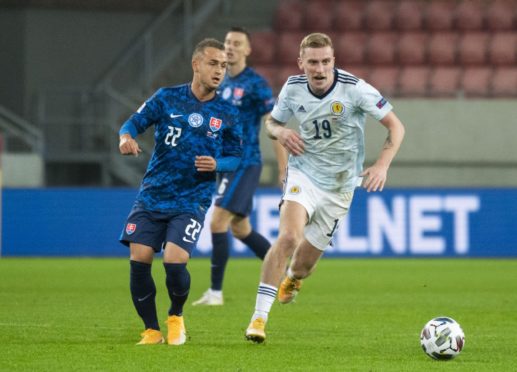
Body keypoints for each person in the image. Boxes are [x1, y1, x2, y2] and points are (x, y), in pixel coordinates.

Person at [245, 32, 406, 343]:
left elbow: (396, 126)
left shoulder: (355, 89)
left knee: (303, 267)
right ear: (301, 63)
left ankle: (291, 278)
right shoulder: (292, 88)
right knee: (289, 236)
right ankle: (258, 318)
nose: (319, 70)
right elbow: (271, 124)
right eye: (313, 63)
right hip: (303, 174)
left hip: (340, 185)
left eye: (325, 62)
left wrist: (382, 164)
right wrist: (280, 132)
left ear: (334, 61)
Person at [118, 38, 242, 346]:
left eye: (224, 66)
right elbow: (133, 123)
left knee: (174, 261)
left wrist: (217, 163)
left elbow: (237, 157)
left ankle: (175, 316)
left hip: (191, 198)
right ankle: (151, 330)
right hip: (153, 194)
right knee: (140, 258)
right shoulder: (166, 98)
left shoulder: (227, 112)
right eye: (213, 64)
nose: (219, 71)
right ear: (196, 64)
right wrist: (125, 138)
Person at [192, 27, 281, 306]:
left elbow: (274, 124)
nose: (230, 47)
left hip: (246, 161)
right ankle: (286, 272)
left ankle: (215, 293)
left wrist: (283, 167)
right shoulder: (219, 81)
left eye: (237, 43)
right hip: (224, 165)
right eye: (228, 42)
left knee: (218, 220)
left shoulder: (256, 84)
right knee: (241, 229)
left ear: (247, 50)